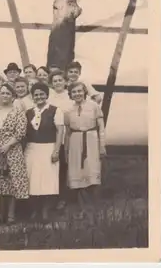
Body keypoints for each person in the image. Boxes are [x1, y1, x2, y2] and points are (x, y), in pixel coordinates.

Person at [0, 83, 29, 224]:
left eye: (8, 93)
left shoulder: (18, 113)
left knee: (12, 182)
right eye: (2, 93)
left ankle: (11, 214)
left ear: (13, 96)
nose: (5, 96)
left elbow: (20, 132)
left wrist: (8, 145)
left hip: (13, 151)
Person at [25, 82, 65, 221]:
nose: (39, 97)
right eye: (36, 95)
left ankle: (45, 211)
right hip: (32, 149)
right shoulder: (29, 112)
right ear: (33, 97)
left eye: (42, 94)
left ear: (47, 95)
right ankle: (34, 210)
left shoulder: (55, 110)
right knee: (33, 180)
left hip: (49, 147)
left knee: (48, 181)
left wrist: (56, 151)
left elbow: (60, 131)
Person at [65, 81, 107, 209]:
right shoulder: (68, 110)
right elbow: (67, 132)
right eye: (74, 92)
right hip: (75, 142)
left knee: (92, 170)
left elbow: (101, 128)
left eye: (79, 91)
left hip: (91, 140)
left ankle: (93, 207)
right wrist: (66, 151)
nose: (77, 94)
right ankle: (82, 207)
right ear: (70, 95)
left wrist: (102, 146)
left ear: (84, 92)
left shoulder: (93, 106)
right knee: (77, 172)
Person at [48, 69, 73, 211]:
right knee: (52, 168)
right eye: (55, 81)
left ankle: (63, 198)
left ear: (65, 82)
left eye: (60, 80)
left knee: (63, 168)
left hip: (67, 137)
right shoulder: (49, 97)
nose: (57, 83)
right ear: (51, 84)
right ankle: (52, 197)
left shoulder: (70, 98)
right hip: (52, 138)